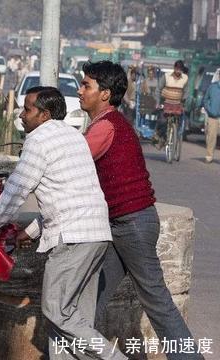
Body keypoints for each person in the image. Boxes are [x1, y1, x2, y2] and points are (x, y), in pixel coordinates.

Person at [0, 87, 125, 360]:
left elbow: (14, 195)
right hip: (96, 234)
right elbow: (66, 193)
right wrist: (33, 231)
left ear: (44, 115)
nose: (22, 116)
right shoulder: (72, 136)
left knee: (57, 312)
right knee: (69, 321)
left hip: (73, 238)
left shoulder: (38, 140)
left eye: (28, 110)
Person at [74, 61, 201, 359]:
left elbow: (70, 163)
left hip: (131, 225)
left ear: (104, 94)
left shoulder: (105, 127)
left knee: (156, 302)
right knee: (90, 297)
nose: (80, 91)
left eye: (86, 85)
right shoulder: (106, 123)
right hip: (124, 223)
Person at [154, 60, 189, 148]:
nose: (178, 71)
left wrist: (184, 100)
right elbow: (158, 89)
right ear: (174, 68)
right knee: (163, 121)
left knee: (181, 121)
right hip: (165, 102)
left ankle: (175, 135)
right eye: (177, 69)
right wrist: (158, 102)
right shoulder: (166, 76)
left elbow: (186, 91)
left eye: (180, 69)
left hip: (177, 104)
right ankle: (160, 138)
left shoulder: (185, 78)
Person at [203, 68, 220, 163]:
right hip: (213, 117)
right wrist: (210, 110)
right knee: (211, 138)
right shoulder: (212, 87)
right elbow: (205, 100)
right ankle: (209, 157)